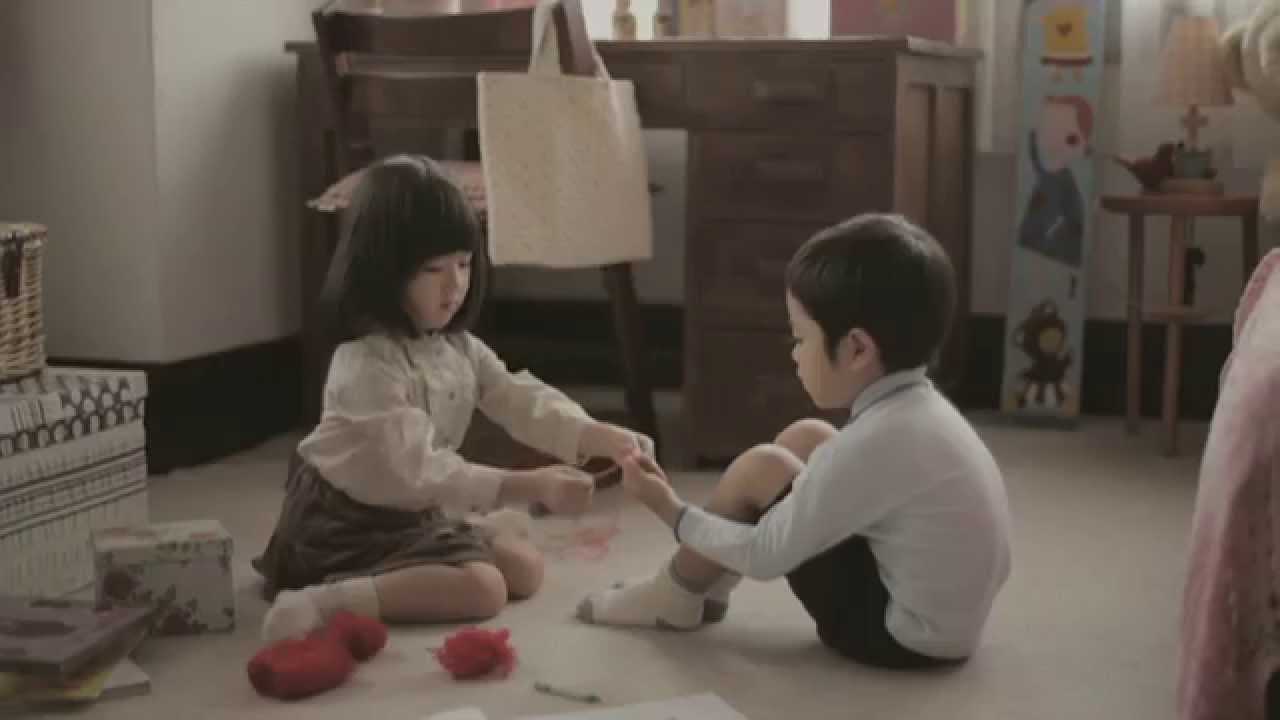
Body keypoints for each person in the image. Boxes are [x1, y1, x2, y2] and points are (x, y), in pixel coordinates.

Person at [577, 213, 1012, 669]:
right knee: (807, 438)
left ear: (857, 349)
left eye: (800, 338)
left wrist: (667, 507)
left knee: (761, 468)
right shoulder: (923, 412)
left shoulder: (875, 442)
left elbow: (765, 555)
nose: (794, 355)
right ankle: (707, 586)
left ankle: (673, 593)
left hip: (900, 638)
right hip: (947, 625)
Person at [255, 154, 652, 643]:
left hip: (417, 507)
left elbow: (519, 397)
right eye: (433, 269)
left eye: (464, 264)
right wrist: (528, 485)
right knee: (484, 589)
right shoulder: (364, 364)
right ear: (382, 271)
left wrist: (598, 436)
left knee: (525, 571)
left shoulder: (458, 348)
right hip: (347, 520)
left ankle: (470, 531)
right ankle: (323, 602)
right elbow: (416, 469)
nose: (456, 284)